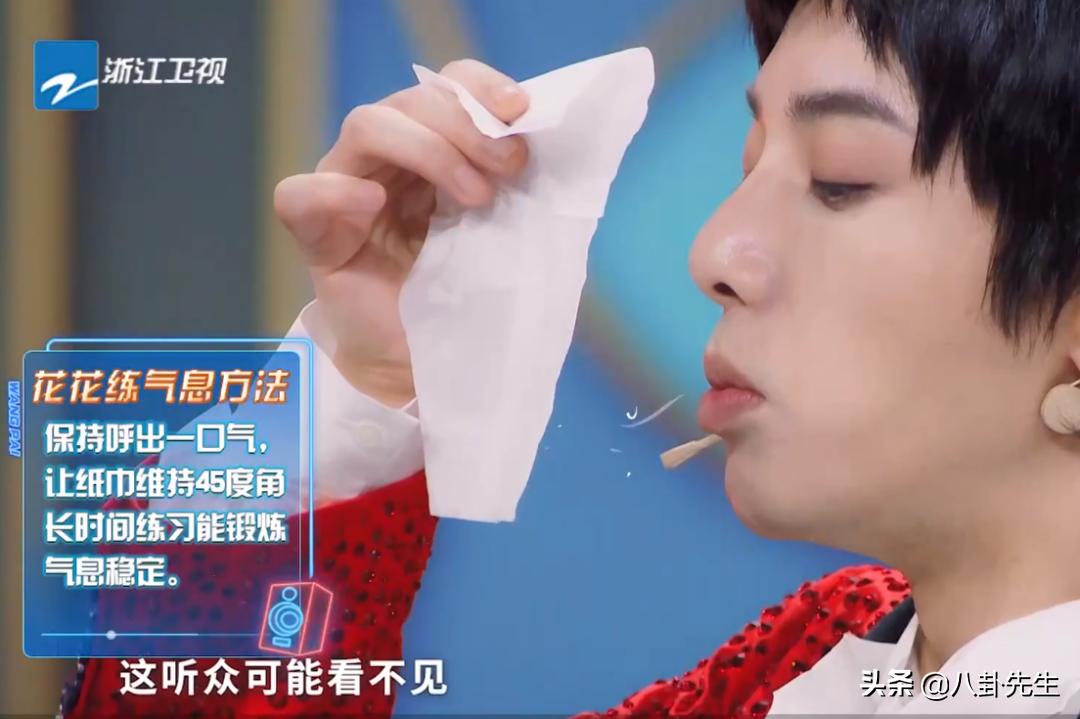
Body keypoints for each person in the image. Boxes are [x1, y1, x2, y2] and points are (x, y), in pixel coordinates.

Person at [61, 0, 1080, 715]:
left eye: (840, 179)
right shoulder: (802, 664)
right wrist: (367, 380)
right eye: (745, 166)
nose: (713, 251)